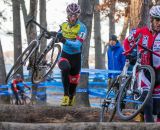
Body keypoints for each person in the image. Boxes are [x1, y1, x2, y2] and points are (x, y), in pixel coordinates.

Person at [123, 5, 160, 122]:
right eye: (157, 20)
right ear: (151, 20)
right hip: (144, 72)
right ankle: (148, 124)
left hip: (158, 73)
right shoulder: (142, 31)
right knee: (147, 101)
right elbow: (126, 41)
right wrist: (129, 53)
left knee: (158, 106)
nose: (159, 23)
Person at [49, 3, 87, 106]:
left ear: (78, 16)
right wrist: (51, 35)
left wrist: (65, 41)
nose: (73, 18)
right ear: (67, 15)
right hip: (65, 55)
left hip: (76, 57)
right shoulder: (64, 25)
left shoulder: (82, 27)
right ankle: (65, 95)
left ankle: (70, 96)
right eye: (71, 15)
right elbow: (58, 35)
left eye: (75, 15)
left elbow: (77, 44)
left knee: (73, 84)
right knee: (65, 68)